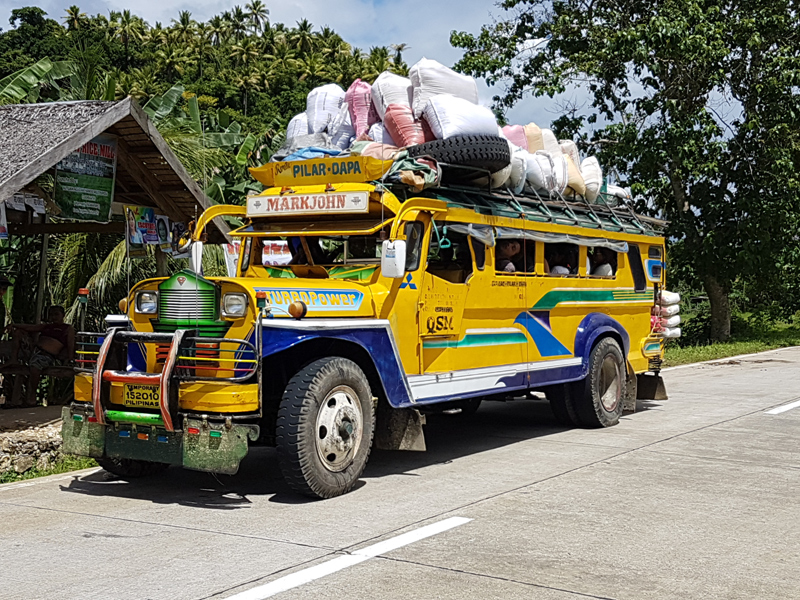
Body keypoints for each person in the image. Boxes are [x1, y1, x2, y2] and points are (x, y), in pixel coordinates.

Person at [5, 306, 75, 407]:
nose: (54, 317)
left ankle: (32, 397)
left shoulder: (68, 329)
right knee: (18, 332)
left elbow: (70, 345)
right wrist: (13, 325)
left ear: (63, 315)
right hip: (34, 351)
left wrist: (70, 359)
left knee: (35, 367)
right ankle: (13, 359)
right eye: (51, 315)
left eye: (56, 314)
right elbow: (30, 327)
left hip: (47, 356)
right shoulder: (46, 326)